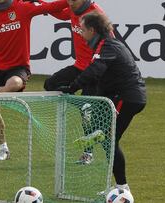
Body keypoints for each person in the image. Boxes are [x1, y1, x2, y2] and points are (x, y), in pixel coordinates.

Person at [0, 0, 68, 161]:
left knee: (14, 84)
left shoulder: (23, 7)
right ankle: (3, 148)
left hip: (18, 67)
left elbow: (52, 7)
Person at [57, 12, 147, 192]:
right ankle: (120, 185)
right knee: (108, 141)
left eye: (82, 30)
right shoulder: (105, 44)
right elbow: (100, 75)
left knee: (110, 141)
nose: (80, 33)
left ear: (92, 30)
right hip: (122, 97)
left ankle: (122, 187)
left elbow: (95, 70)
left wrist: (73, 86)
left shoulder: (107, 45)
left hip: (127, 98)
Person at [43, 0, 114, 164]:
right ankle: (82, 104)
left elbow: (110, 41)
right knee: (50, 84)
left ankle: (88, 153)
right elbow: (57, 11)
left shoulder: (95, 12)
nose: (70, 2)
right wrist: (39, 4)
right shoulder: (71, 7)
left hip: (93, 72)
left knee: (90, 119)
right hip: (78, 67)